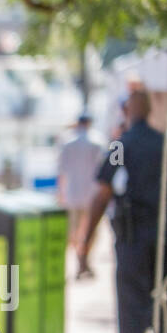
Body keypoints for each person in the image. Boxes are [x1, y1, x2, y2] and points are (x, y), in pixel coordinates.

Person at [78, 90, 166, 333]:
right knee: (163, 310)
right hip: (162, 240)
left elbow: (101, 194)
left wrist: (84, 245)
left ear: (128, 110)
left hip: (134, 242)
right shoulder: (163, 143)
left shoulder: (121, 145)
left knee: (131, 313)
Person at [57, 113, 103, 278]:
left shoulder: (68, 143)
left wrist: (60, 193)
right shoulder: (98, 141)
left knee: (75, 231)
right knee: (90, 231)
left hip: (72, 194)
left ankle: (80, 260)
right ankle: (83, 260)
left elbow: (61, 171)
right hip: (92, 195)